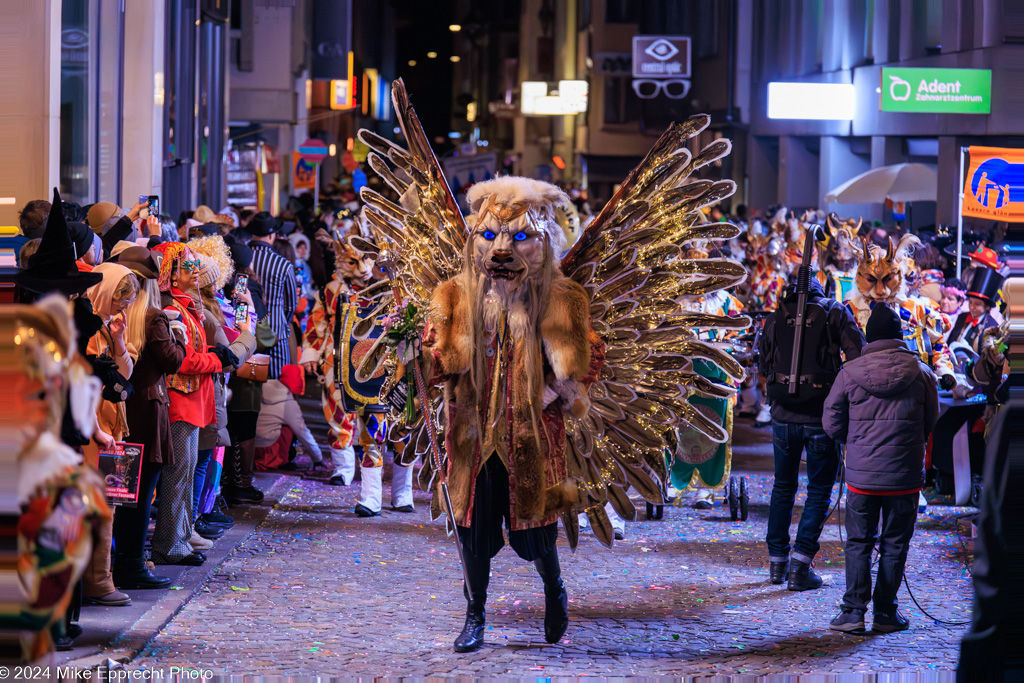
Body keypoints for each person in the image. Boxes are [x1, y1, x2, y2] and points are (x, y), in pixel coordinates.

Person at [823, 304, 938, 633]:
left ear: (869, 337)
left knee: (859, 542)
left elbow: (831, 423)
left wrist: (855, 441)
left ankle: (853, 612)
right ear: (900, 336)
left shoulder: (850, 373)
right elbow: (931, 419)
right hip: (904, 476)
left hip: (862, 477)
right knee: (895, 543)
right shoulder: (922, 372)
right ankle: (886, 612)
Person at [758, 276, 865, 590]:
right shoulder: (835, 311)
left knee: (783, 487)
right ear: (822, 290)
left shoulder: (776, 316)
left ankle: (777, 564)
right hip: (821, 416)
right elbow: (858, 355)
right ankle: (800, 567)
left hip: (781, 417)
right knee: (818, 490)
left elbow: (763, 363)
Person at [150, 242, 234, 566]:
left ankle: (180, 539)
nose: (194, 271)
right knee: (177, 476)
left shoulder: (184, 306)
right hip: (180, 402)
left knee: (184, 477)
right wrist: (215, 359)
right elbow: (182, 361)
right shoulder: (171, 308)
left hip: (193, 401)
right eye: (188, 266)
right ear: (171, 272)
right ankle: (170, 544)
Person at [113, 248, 182, 589]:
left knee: (123, 494)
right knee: (140, 497)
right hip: (149, 411)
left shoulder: (117, 313)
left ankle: (119, 562)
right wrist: (179, 340)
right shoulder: (154, 316)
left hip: (123, 409)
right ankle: (132, 565)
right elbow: (171, 361)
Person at [247, 212, 297, 380]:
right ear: (271, 235)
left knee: (249, 382)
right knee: (277, 384)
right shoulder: (283, 265)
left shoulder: (241, 259)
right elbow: (291, 305)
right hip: (276, 333)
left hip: (246, 330)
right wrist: (282, 323)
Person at [947, 267, 1003, 356]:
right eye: (970, 302)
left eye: (977, 304)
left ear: (987, 307)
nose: (972, 307)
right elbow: (950, 341)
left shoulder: (992, 327)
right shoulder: (962, 317)